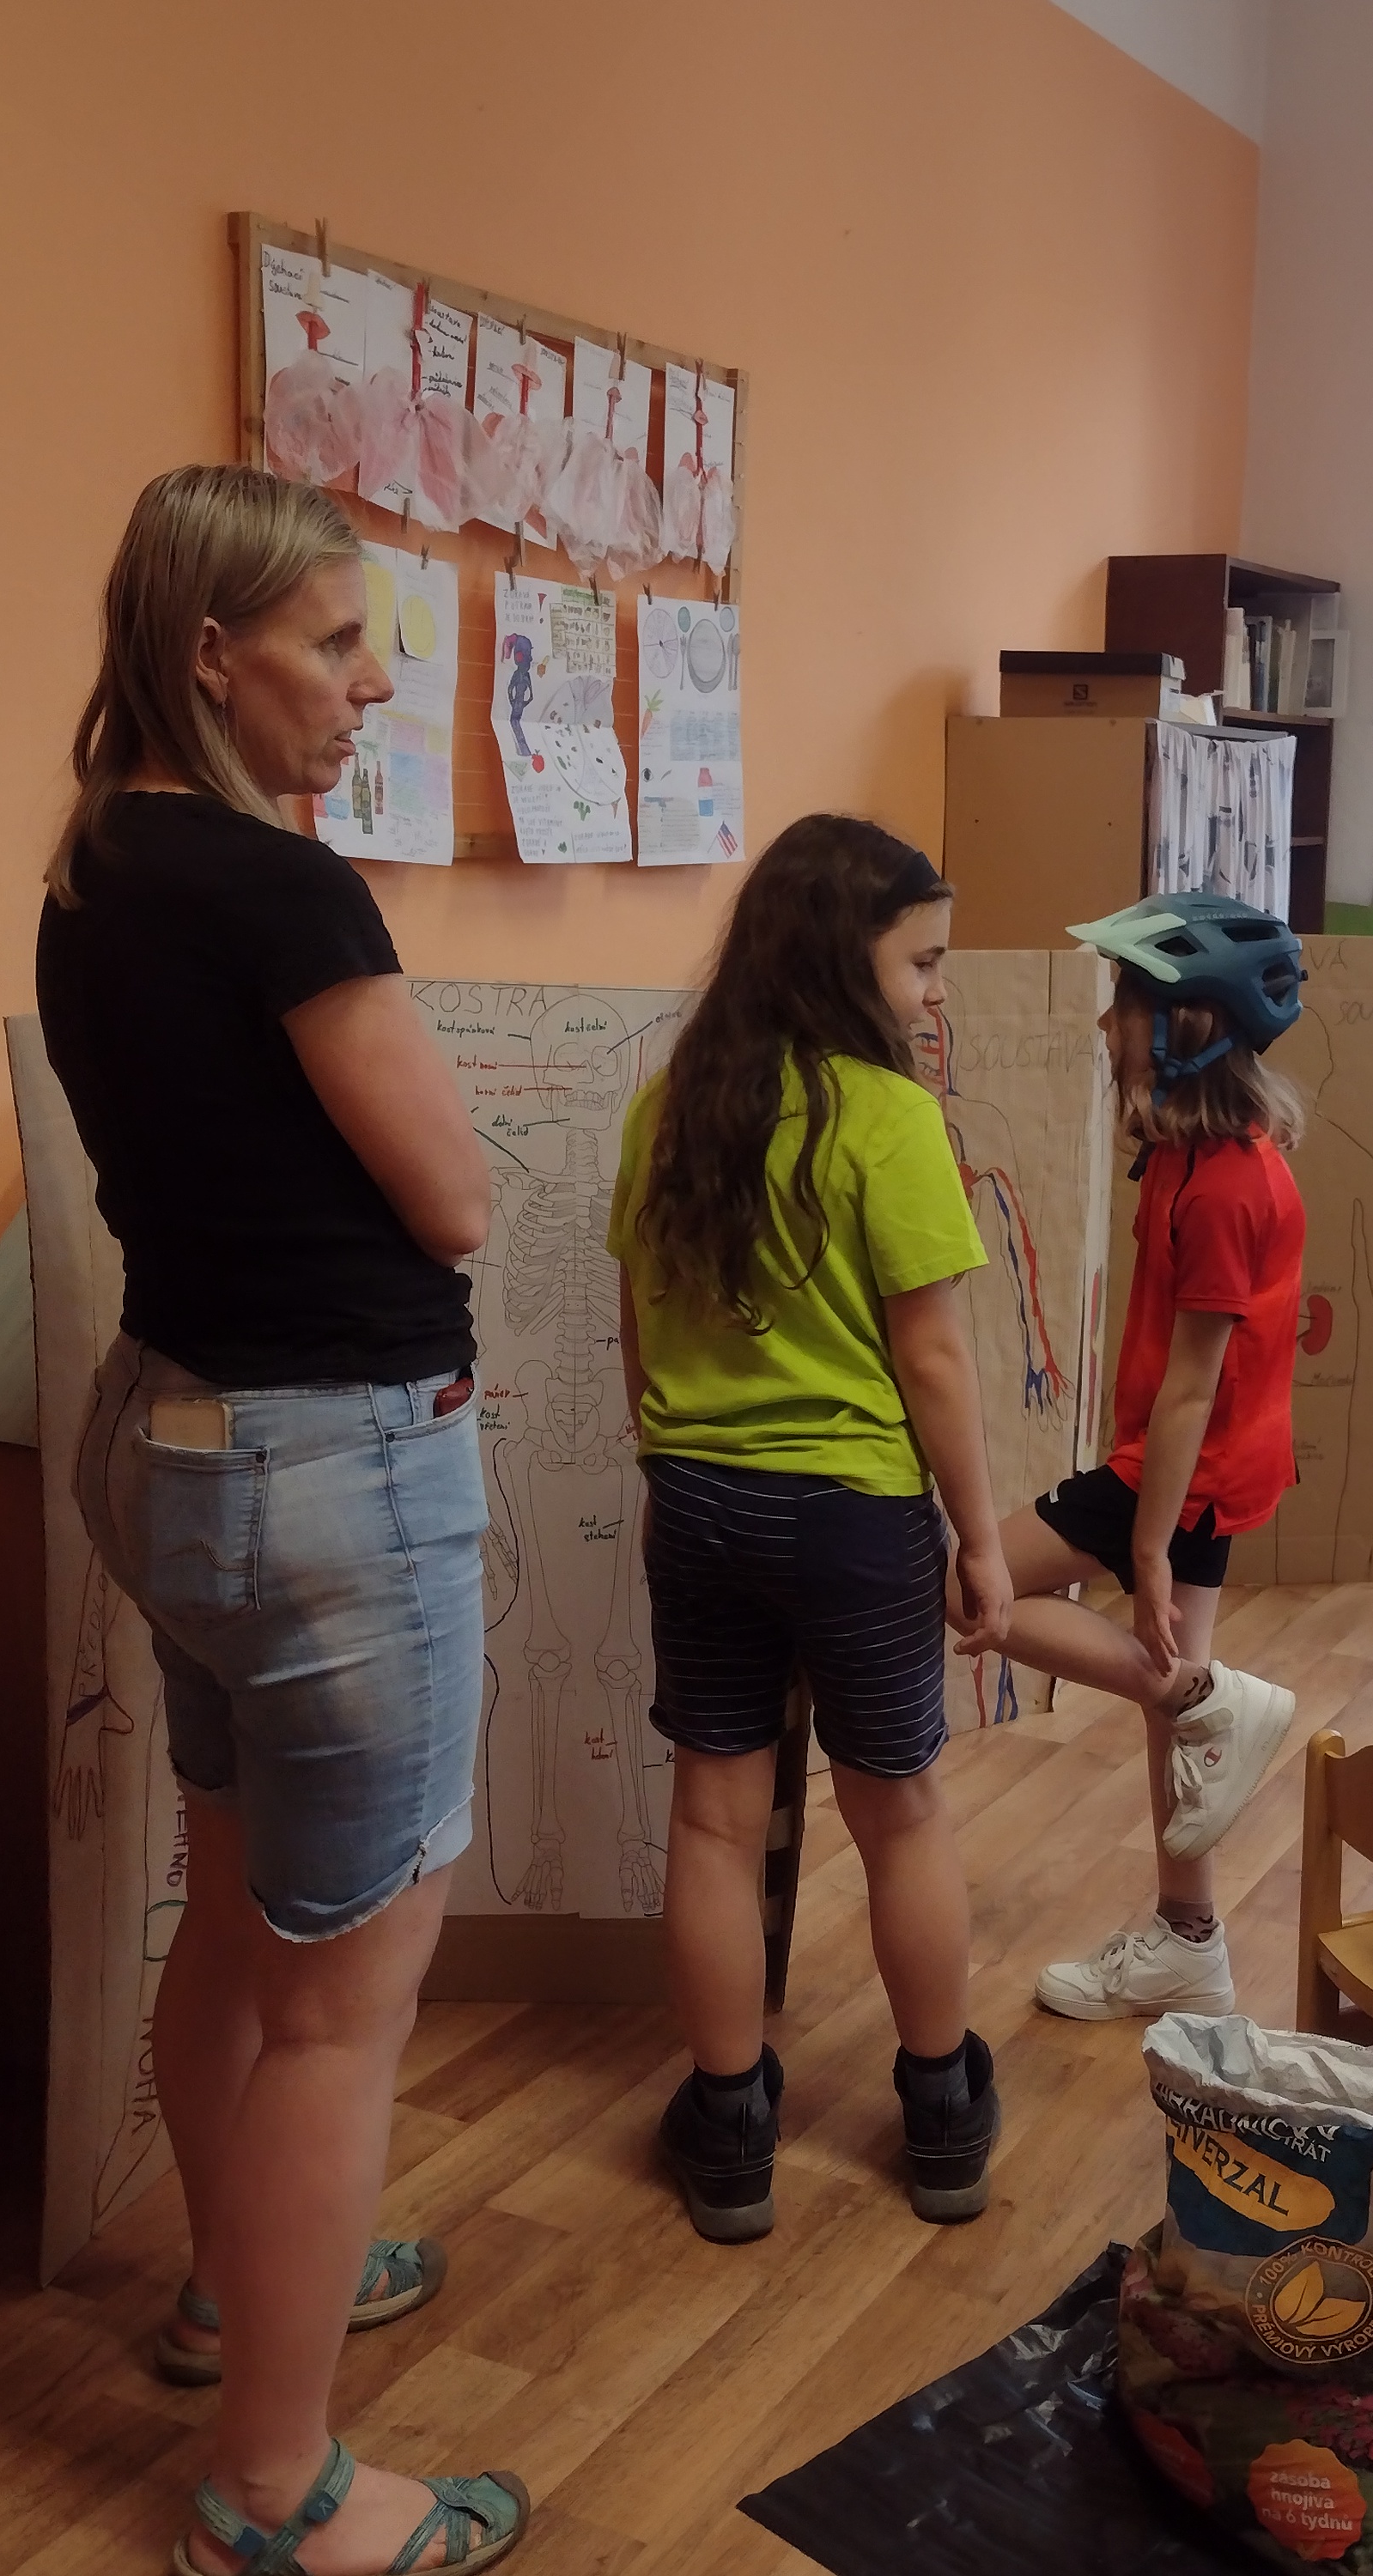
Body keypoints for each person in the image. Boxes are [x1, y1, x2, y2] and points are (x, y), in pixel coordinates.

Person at [38, 464, 528, 2576]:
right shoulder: (279, 892)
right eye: (334, 644)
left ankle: (231, 2289)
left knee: (238, 1921)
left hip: (173, 1442)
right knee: (342, 2003)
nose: (367, 686)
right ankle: (276, 2490)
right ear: (210, 653)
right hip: (333, 1476)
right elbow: (456, 1196)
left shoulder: (92, 869)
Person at [609, 815, 1013, 2244]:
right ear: (841, 961)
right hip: (852, 1515)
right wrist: (980, 1538)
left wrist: (673, 1461)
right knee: (897, 1809)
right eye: (922, 963)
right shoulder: (886, 1120)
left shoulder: (671, 1109)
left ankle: (729, 2129)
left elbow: (638, 1322)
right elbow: (935, 1360)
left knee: (714, 1818)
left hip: (700, 1498)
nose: (936, 990)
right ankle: (942, 2113)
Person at [1005, 893, 1309, 2023]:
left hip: (1182, 1472)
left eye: (1123, 1004)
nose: (1106, 1026)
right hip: (1192, 1466)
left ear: (1190, 1026)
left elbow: (1194, 1385)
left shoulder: (1227, 1185)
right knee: (1169, 1721)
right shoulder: (1192, 1155)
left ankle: (1208, 1697)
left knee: (967, 1584)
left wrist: (1143, 1548)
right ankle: (1190, 1943)